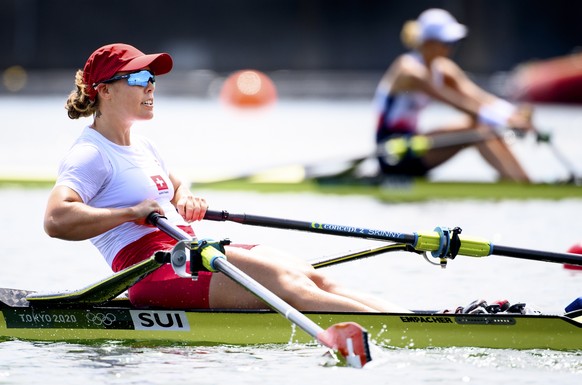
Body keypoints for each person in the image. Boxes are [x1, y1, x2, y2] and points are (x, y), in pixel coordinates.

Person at [43, 43, 409, 313]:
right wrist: (128, 212)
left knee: (310, 275)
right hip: (149, 272)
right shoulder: (90, 153)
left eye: (151, 78)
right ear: (104, 90)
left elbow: (174, 183)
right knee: (289, 285)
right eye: (138, 78)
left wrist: (186, 195)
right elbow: (56, 219)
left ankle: (417, 318)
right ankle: (399, 329)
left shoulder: (142, 145)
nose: (150, 86)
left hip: (186, 253)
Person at [374, 8, 533, 182]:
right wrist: (504, 120)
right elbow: (454, 101)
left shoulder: (443, 68)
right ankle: (517, 185)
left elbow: (476, 96)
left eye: (452, 43)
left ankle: (524, 181)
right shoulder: (409, 70)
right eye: (446, 42)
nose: (449, 48)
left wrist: (513, 114)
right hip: (392, 153)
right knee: (476, 131)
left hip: (413, 145)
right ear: (428, 42)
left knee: (480, 125)